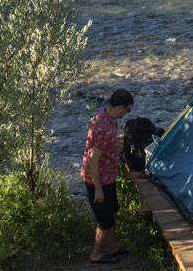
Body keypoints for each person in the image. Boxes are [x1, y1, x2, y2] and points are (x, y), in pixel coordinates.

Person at [81, 89, 134, 264]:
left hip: (107, 178)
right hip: (98, 181)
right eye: (127, 110)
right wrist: (97, 189)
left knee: (111, 214)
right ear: (120, 107)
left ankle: (113, 248)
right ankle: (95, 254)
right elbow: (93, 161)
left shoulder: (105, 118)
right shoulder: (104, 129)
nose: (126, 114)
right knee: (104, 221)